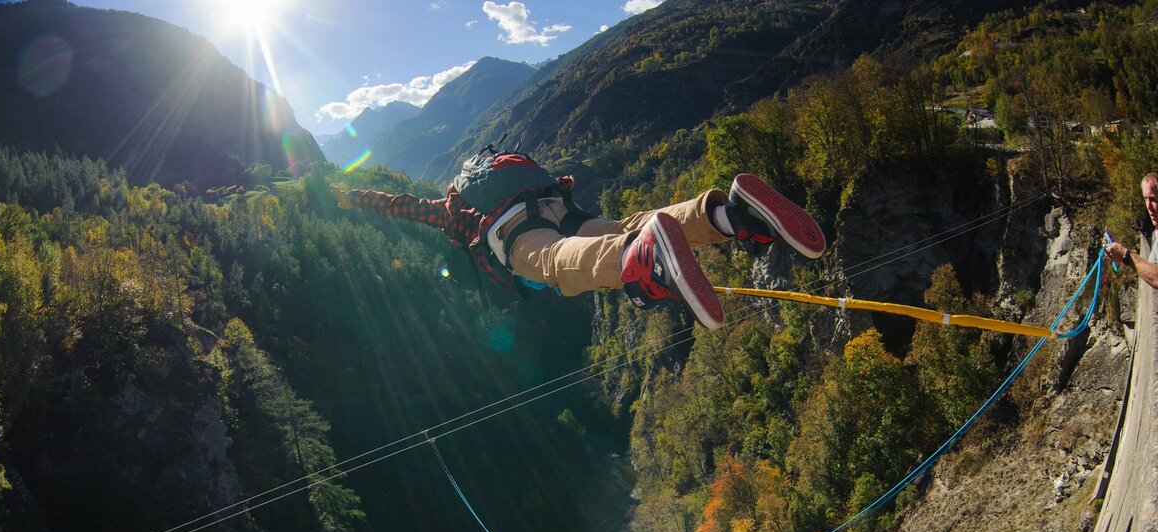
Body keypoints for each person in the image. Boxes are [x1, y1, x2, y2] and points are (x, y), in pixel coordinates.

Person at [331, 148, 825, 330]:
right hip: (557, 202)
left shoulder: (458, 209)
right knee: (621, 229)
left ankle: (642, 259)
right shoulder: (515, 175)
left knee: (551, 261)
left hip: (514, 226)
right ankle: (727, 212)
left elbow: (401, 206)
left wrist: (353, 197)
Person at [1105, 172, 1158, 316]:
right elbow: (1149, 272)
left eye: (1153, 199)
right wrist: (1120, 251)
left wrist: (1125, 254)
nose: (1148, 206)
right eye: (1145, 199)